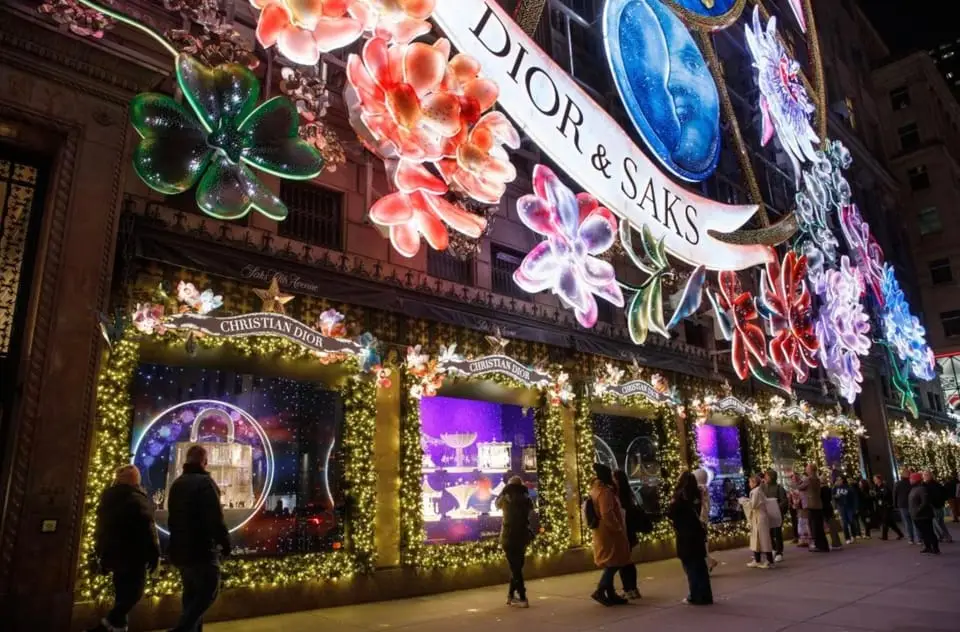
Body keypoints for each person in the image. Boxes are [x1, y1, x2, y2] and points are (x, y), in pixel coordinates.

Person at [167, 445, 231, 631]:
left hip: (181, 550)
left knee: (191, 594)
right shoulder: (205, 483)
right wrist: (224, 543)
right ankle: (182, 629)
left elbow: (173, 518)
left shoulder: (177, 483)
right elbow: (215, 518)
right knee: (209, 591)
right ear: (205, 461)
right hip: (201, 549)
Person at [89, 465, 159, 632]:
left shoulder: (109, 498)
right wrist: (154, 554)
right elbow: (147, 528)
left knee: (122, 594)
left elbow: (101, 529)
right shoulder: (137, 499)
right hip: (134, 554)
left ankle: (119, 628)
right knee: (134, 594)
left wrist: (102, 552)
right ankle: (105, 625)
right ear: (135, 480)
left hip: (114, 554)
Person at [668, 471, 713, 606]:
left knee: (690, 566)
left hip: (685, 535)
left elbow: (671, 513)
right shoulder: (698, 494)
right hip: (697, 534)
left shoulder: (679, 496)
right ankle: (705, 595)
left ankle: (695, 594)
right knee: (700, 565)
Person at [588, 464, 631, 606]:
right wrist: (617, 527)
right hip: (609, 532)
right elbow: (607, 513)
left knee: (610, 561)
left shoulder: (595, 489)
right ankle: (601, 590)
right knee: (614, 561)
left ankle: (611, 593)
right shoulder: (604, 492)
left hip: (602, 531)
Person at [497, 475, 534, 608]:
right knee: (517, 566)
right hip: (522, 536)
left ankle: (522, 597)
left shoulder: (505, 498)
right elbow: (530, 509)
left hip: (508, 536)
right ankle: (511, 596)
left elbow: (497, 504)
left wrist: (505, 491)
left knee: (515, 567)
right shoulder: (526, 498)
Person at [613, 470, 648, 599]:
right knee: (628, 561)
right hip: (630, 531)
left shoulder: (617, 495)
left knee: (624, 562)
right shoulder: (628, 493)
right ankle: (632, 588)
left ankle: (628, 589)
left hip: (624, 531)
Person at [743, 475, 774, 568]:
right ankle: (757, 559)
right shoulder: (758, 490)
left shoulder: (755, 491)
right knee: (756, 539)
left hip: (759, 517)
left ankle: (769, 561)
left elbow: (753, 505)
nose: (749, 484)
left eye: (750, 482)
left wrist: (744, 502)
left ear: (755, 483)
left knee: (763, 539)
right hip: (758, 517)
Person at [797, 464, 829, 552]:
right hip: (818, 504)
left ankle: (819, 546)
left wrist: (797, 482)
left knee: (814, 526)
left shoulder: (808, 479)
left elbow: (800, 487)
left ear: (811, 470)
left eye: (807, 468)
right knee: (818, 526)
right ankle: (823, 545)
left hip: (811, 505)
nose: (806, 469)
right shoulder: (817, 479)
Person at [692, 469, 718, 572]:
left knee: (702, 543)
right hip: (703, 519)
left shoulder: (700, 489)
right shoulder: (704, 489)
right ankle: (708, 562)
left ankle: (708, 562)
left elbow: (700, 506)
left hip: (700, 520)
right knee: (703, 542)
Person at [908, 472, 939, 554]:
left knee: (929, 531)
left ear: (916, 480)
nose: (910, 480)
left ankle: (935, 548)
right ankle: (927, 546)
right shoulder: (913, 489)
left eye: (911, 479)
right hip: (916, 515)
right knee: (923, 532)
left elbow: (924, 502)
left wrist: (917, 510)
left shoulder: (922, 489)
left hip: (923, 515)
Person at [761, 469, 788, 562]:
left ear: (771, 477)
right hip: (768, 514)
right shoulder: (764, 487)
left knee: (777, 533)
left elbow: (784, 501)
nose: (765, 478)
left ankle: (779, 552)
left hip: (777, 514)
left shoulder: (779, 488)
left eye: (767, 476)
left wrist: (776, 507)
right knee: (769, 533)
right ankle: (773, 549)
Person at [924, 470, 953, 543]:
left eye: (926, 475)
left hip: (934, 506)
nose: (924, 476)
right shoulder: (937, 484)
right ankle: (947, 536)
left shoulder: (928, 485)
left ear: (929, 476)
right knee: (940, 522)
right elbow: (944, 494)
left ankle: (942, 536)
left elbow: (933, 496)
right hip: (939, 505)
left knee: (936, 523)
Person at [894, 468, 916, 544]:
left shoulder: (898, 484)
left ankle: (910, 539)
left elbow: (895, 495)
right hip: (912, 504)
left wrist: (895, 505)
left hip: (902, 505)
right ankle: (919, 538)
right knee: (915, 522)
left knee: (907, 523)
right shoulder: (912, 483)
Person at [833, 476, 859, 544]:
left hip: (849, 506)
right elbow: (833, 496)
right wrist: (835, 497)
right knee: (844, 523)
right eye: (837, 480)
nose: (838, 481)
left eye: (840, 479)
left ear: (843, 480)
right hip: (841, 507)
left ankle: (854, 535)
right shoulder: (835, 487)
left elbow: (854, 497)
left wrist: (855, 507)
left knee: (851, 521)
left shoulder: (848, 487)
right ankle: (847, 538)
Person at [821, 474, 843, 549]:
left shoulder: (822, 490)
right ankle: (837, 543)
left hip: (825, 510)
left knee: (831, 527)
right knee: (832, 527)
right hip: (829, 508)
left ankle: (836, 544)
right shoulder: (828, 488)